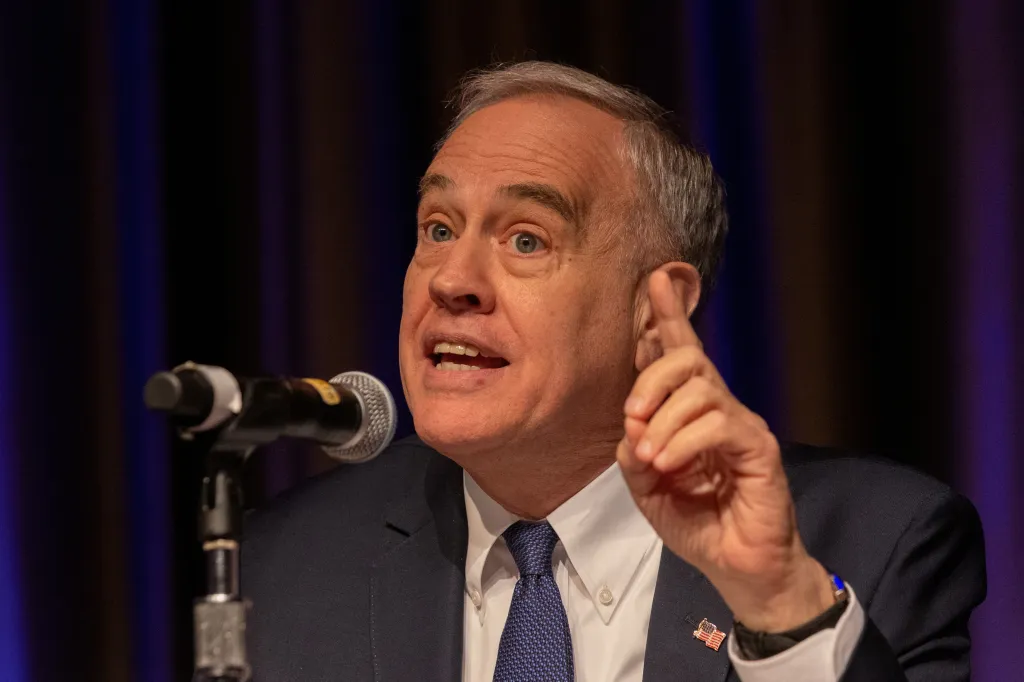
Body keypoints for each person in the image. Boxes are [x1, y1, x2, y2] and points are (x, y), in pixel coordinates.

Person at [243, 62, 986, 682]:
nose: (452, 279)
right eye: (438, 229)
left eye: (526, 240)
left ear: (655, 305)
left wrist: (778, 600)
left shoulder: (877, 542)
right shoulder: (289, 563)